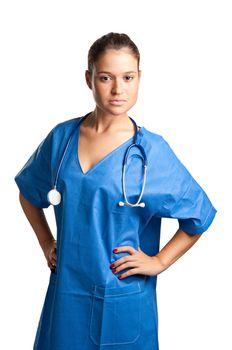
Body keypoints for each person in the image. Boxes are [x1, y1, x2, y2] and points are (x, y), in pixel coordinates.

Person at [14, 32, 217, 350]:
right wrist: (45, 241)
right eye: (106, 77)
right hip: (66, 294)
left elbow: (199, 215)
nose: (118, 89)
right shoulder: (61, 139)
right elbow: (29, 192)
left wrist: (160, 261)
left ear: (139, 79)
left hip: (123, 297)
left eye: (128, 77)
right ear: (89, 78)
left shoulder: (151, 151)